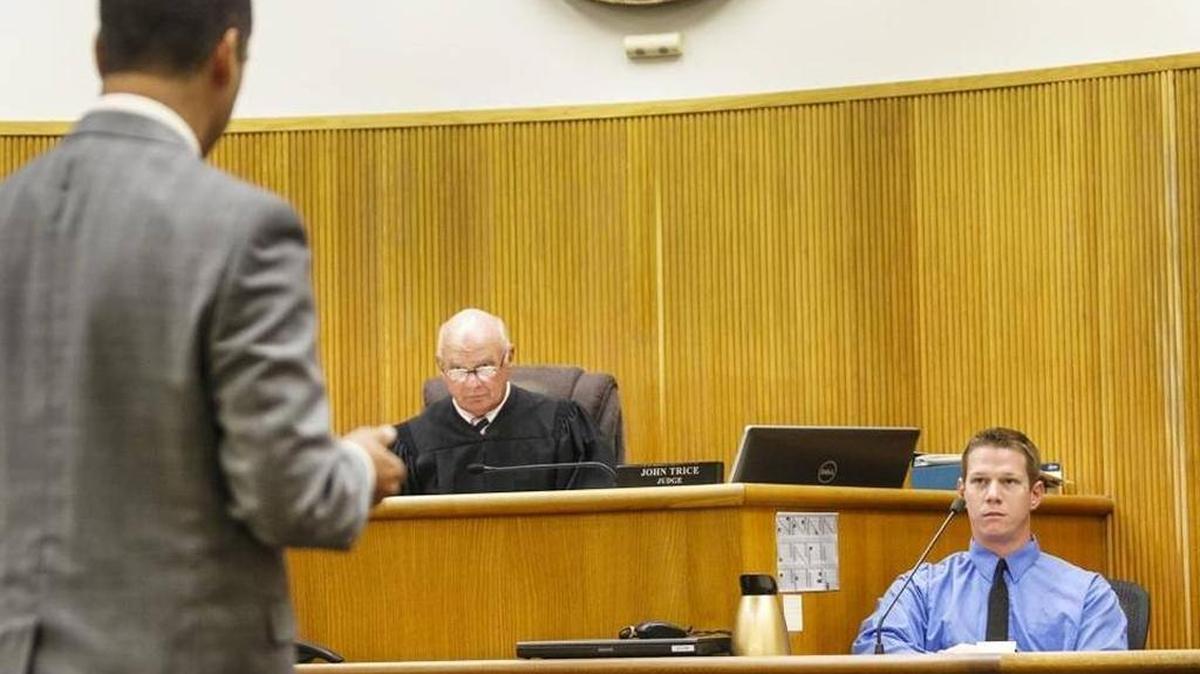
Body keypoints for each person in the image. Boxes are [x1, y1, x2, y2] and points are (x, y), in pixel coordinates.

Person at [0, 2, 406, 672]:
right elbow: (290, 494)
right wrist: (359, 465)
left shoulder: (9, 214)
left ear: (100, 53)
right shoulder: (242, 228)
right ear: (225, 56)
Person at [852, 427, 1127, 653]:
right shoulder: (921, 589)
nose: (992, 494)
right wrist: (948, 666)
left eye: (1008, 482)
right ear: (962, 491)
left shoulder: (1089, 595)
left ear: (1035, 494)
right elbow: (872, 649)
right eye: (980, 481)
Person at [392, 308, 615, 494]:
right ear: (441, 366)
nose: (473, 384)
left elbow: (592, 518)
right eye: (458, 369)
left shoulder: (562, 426)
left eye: (484, 367)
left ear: (509, 357)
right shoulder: (411, 444)